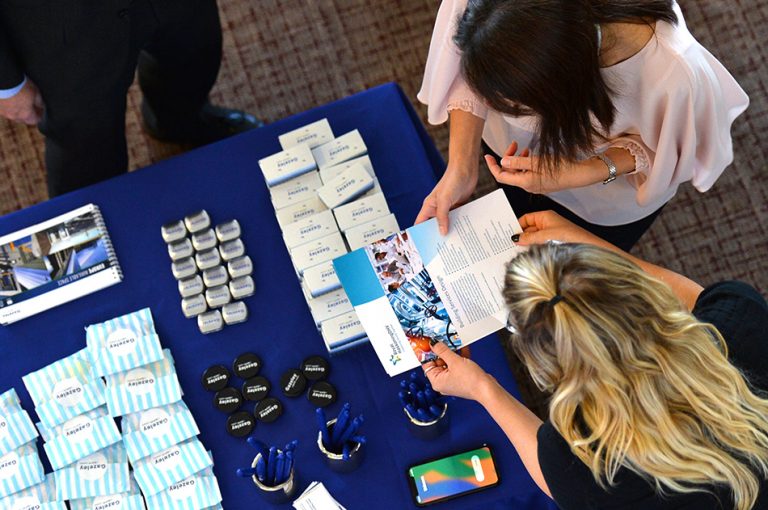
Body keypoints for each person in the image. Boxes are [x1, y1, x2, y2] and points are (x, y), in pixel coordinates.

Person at [423, 210, 768, 509]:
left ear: (546, 369)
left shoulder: (588, 462)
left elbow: (555, 481)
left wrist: (483, 389)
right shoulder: (741, 317)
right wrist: (582, 239)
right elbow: (683, 293)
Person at [416, 0, 749, 250]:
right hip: (509, 150)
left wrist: (581, 172)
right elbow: (467, 60)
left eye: (515, 103)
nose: (497, 106)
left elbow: (671, 152)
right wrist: (461, 167)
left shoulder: (677, 74)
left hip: (604, 200)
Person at [0, 0, 261, 197]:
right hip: (61, 30)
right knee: (87, 149)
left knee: (192, 56)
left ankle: (178, 123)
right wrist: (5, 86)